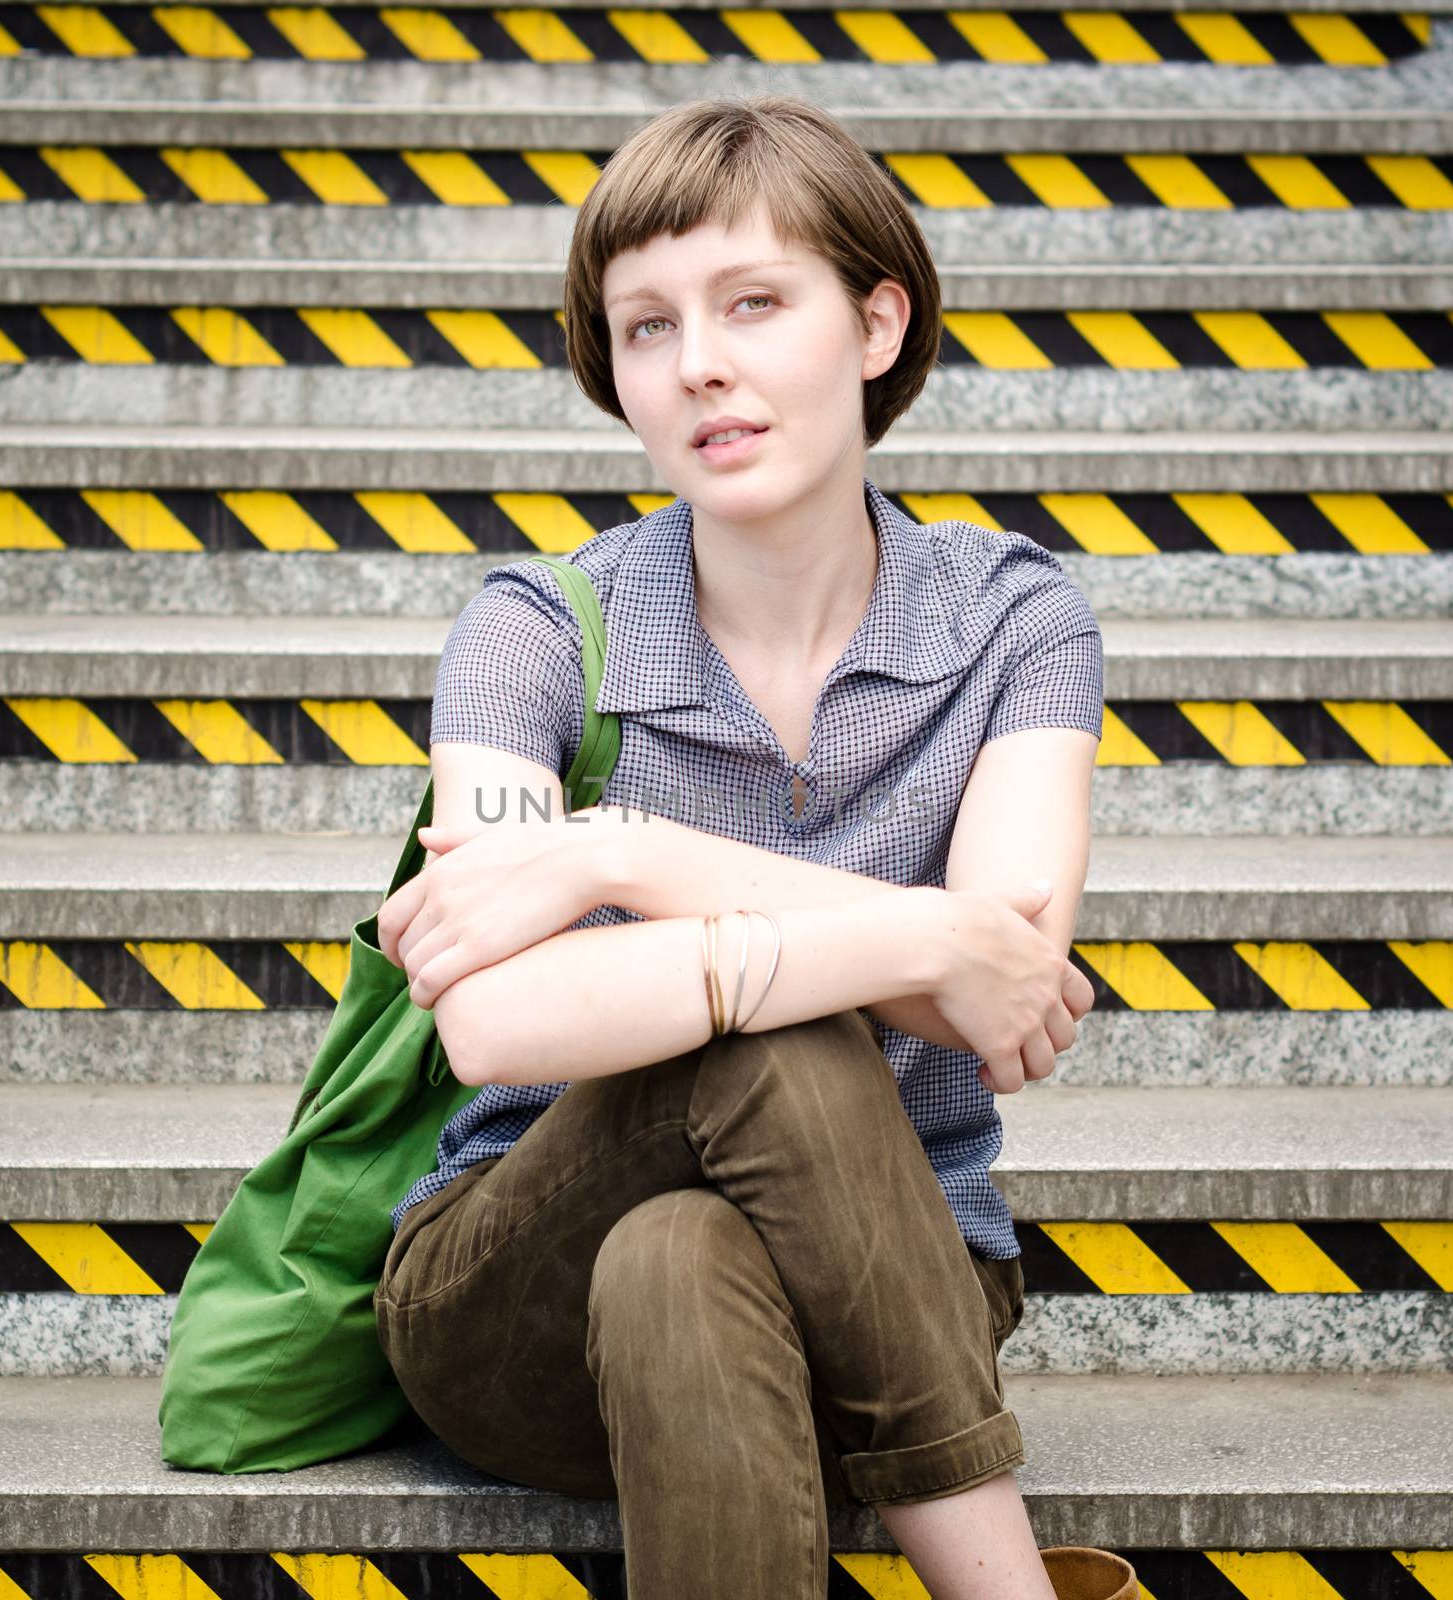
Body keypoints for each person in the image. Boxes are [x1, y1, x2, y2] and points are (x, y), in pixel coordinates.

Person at [373, 92, 1130, 1600]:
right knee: (762, 1033)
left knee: (683, 1251)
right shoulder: (535, 633)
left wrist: (623, 860)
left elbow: (996, 1000)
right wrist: (914, 935)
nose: (697, 359)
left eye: (754, 302)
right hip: (515, 1281)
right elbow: (499, 1020)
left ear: (874, 321)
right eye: (645, 326)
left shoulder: (1013, 621)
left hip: (893, 1293)